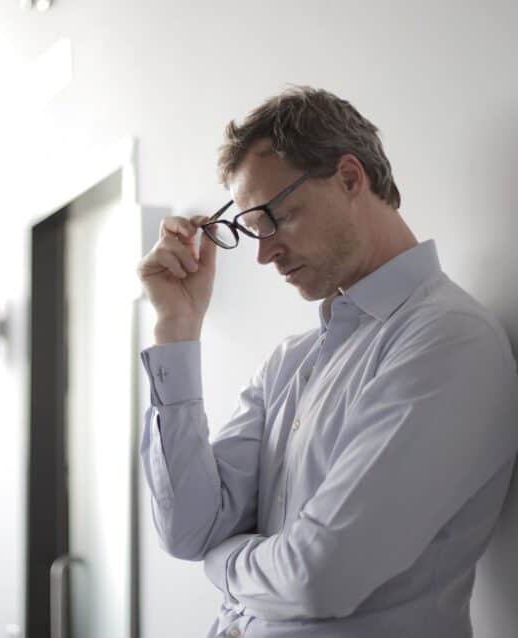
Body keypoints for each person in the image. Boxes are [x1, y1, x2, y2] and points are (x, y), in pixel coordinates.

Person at [135, 85, 518, 638]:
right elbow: (190, 529)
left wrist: (224, 563)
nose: (264, 254)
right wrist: (177, 330)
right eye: (252, 231)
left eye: (275, 219)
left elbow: (320, 576)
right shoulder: (292, 361)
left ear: (349, 178)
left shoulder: (448, 340)